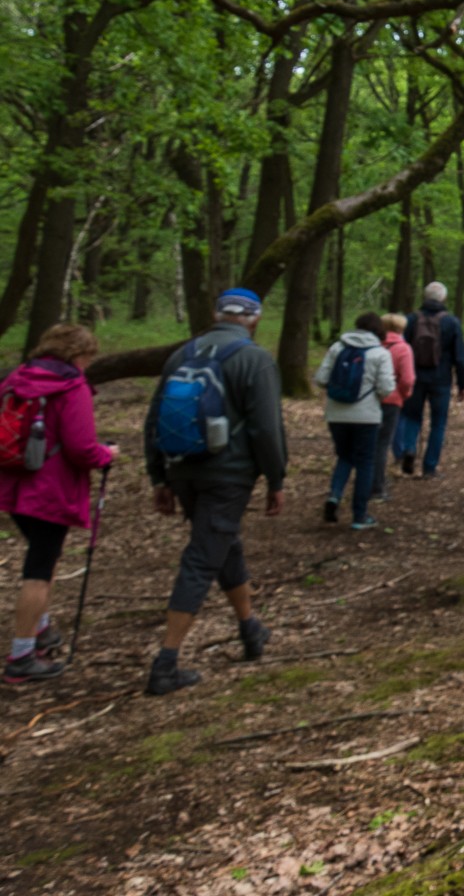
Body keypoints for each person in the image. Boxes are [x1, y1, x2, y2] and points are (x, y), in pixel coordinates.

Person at [143, 288, 287, 696]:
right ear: (255, 318)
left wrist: (159, 476)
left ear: (216, 313)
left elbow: (153, 419)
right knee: (203, 556)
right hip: (229, 473)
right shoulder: (253, 358)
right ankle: (165, 664)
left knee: (224, 544)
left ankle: (250, 628)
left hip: (183, 468)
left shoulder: (182, 354)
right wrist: (276, 479)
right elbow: (266, 427)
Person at [0, 324, 116, 684]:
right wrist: (106, 454)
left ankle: (43, 631)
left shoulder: (15, 379)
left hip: (13, 483)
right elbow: (81, 447)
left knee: (42, 559)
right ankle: (21, 655)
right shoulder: (71, 387)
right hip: (50, 489)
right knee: (38, 570)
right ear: (79, 355)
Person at [316, 311, 397, 529]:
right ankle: (359, 515)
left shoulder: (337, 347)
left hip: (336, 414)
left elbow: (321, 378)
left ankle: (335, 495)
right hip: (367, 415)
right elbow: (387, 387)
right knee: (365, 462)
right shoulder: (380, 353)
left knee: (344, 456)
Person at [395, 280, 464, 479]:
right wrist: (463, 383)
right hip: (441, 378)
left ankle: (409, 449)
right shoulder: (451, 322)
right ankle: (430, 467)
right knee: (438, 423)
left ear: (425, 297)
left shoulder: (410, 320)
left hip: (415, 377)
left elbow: (402, 350)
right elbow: (460, 356)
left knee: (411, 417)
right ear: (443, 298)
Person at [371, 312, 414, 503]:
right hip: (391, 401)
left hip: (370, 400)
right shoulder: (403, 348)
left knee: (370, 443)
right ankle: (377, 486)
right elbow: (407, 379)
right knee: (382, 444)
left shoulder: (373, 346)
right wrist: (404, 395)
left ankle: (369, 480)